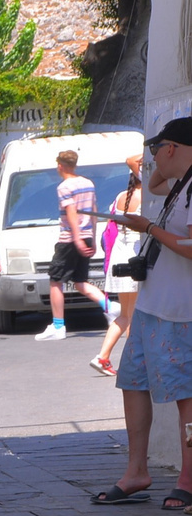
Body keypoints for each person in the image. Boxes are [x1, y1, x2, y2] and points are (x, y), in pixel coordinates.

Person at [96, 118, 192, 508]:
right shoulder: (179, 186)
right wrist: (155, 173)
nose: (151, 158)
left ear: (171, 148)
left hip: (179, 310)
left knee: (187, 396)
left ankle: (188, 479)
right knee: (132, 381)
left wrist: (149, 227)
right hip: (154, 305)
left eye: (157, 149)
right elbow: (152, 183)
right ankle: (137, 469)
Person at [36, 149, 110, 342]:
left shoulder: (64, 187)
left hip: (70, 238)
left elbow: (70, 211)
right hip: (86, 235)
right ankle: (111, 307)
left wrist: (76, 238)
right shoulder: (88, 183)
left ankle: (58, 326)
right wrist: (91, 237)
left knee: (55, 280)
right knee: (80, 281)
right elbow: (93, 209)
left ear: (60, 165)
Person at [93, 157, 146, 376]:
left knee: (125, 314)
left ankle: (103, 356)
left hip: (118, 256)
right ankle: (134, 364)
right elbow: (131, 160)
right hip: (133, 257)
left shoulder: (121, 196)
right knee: (132, 315)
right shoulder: (146, 195)